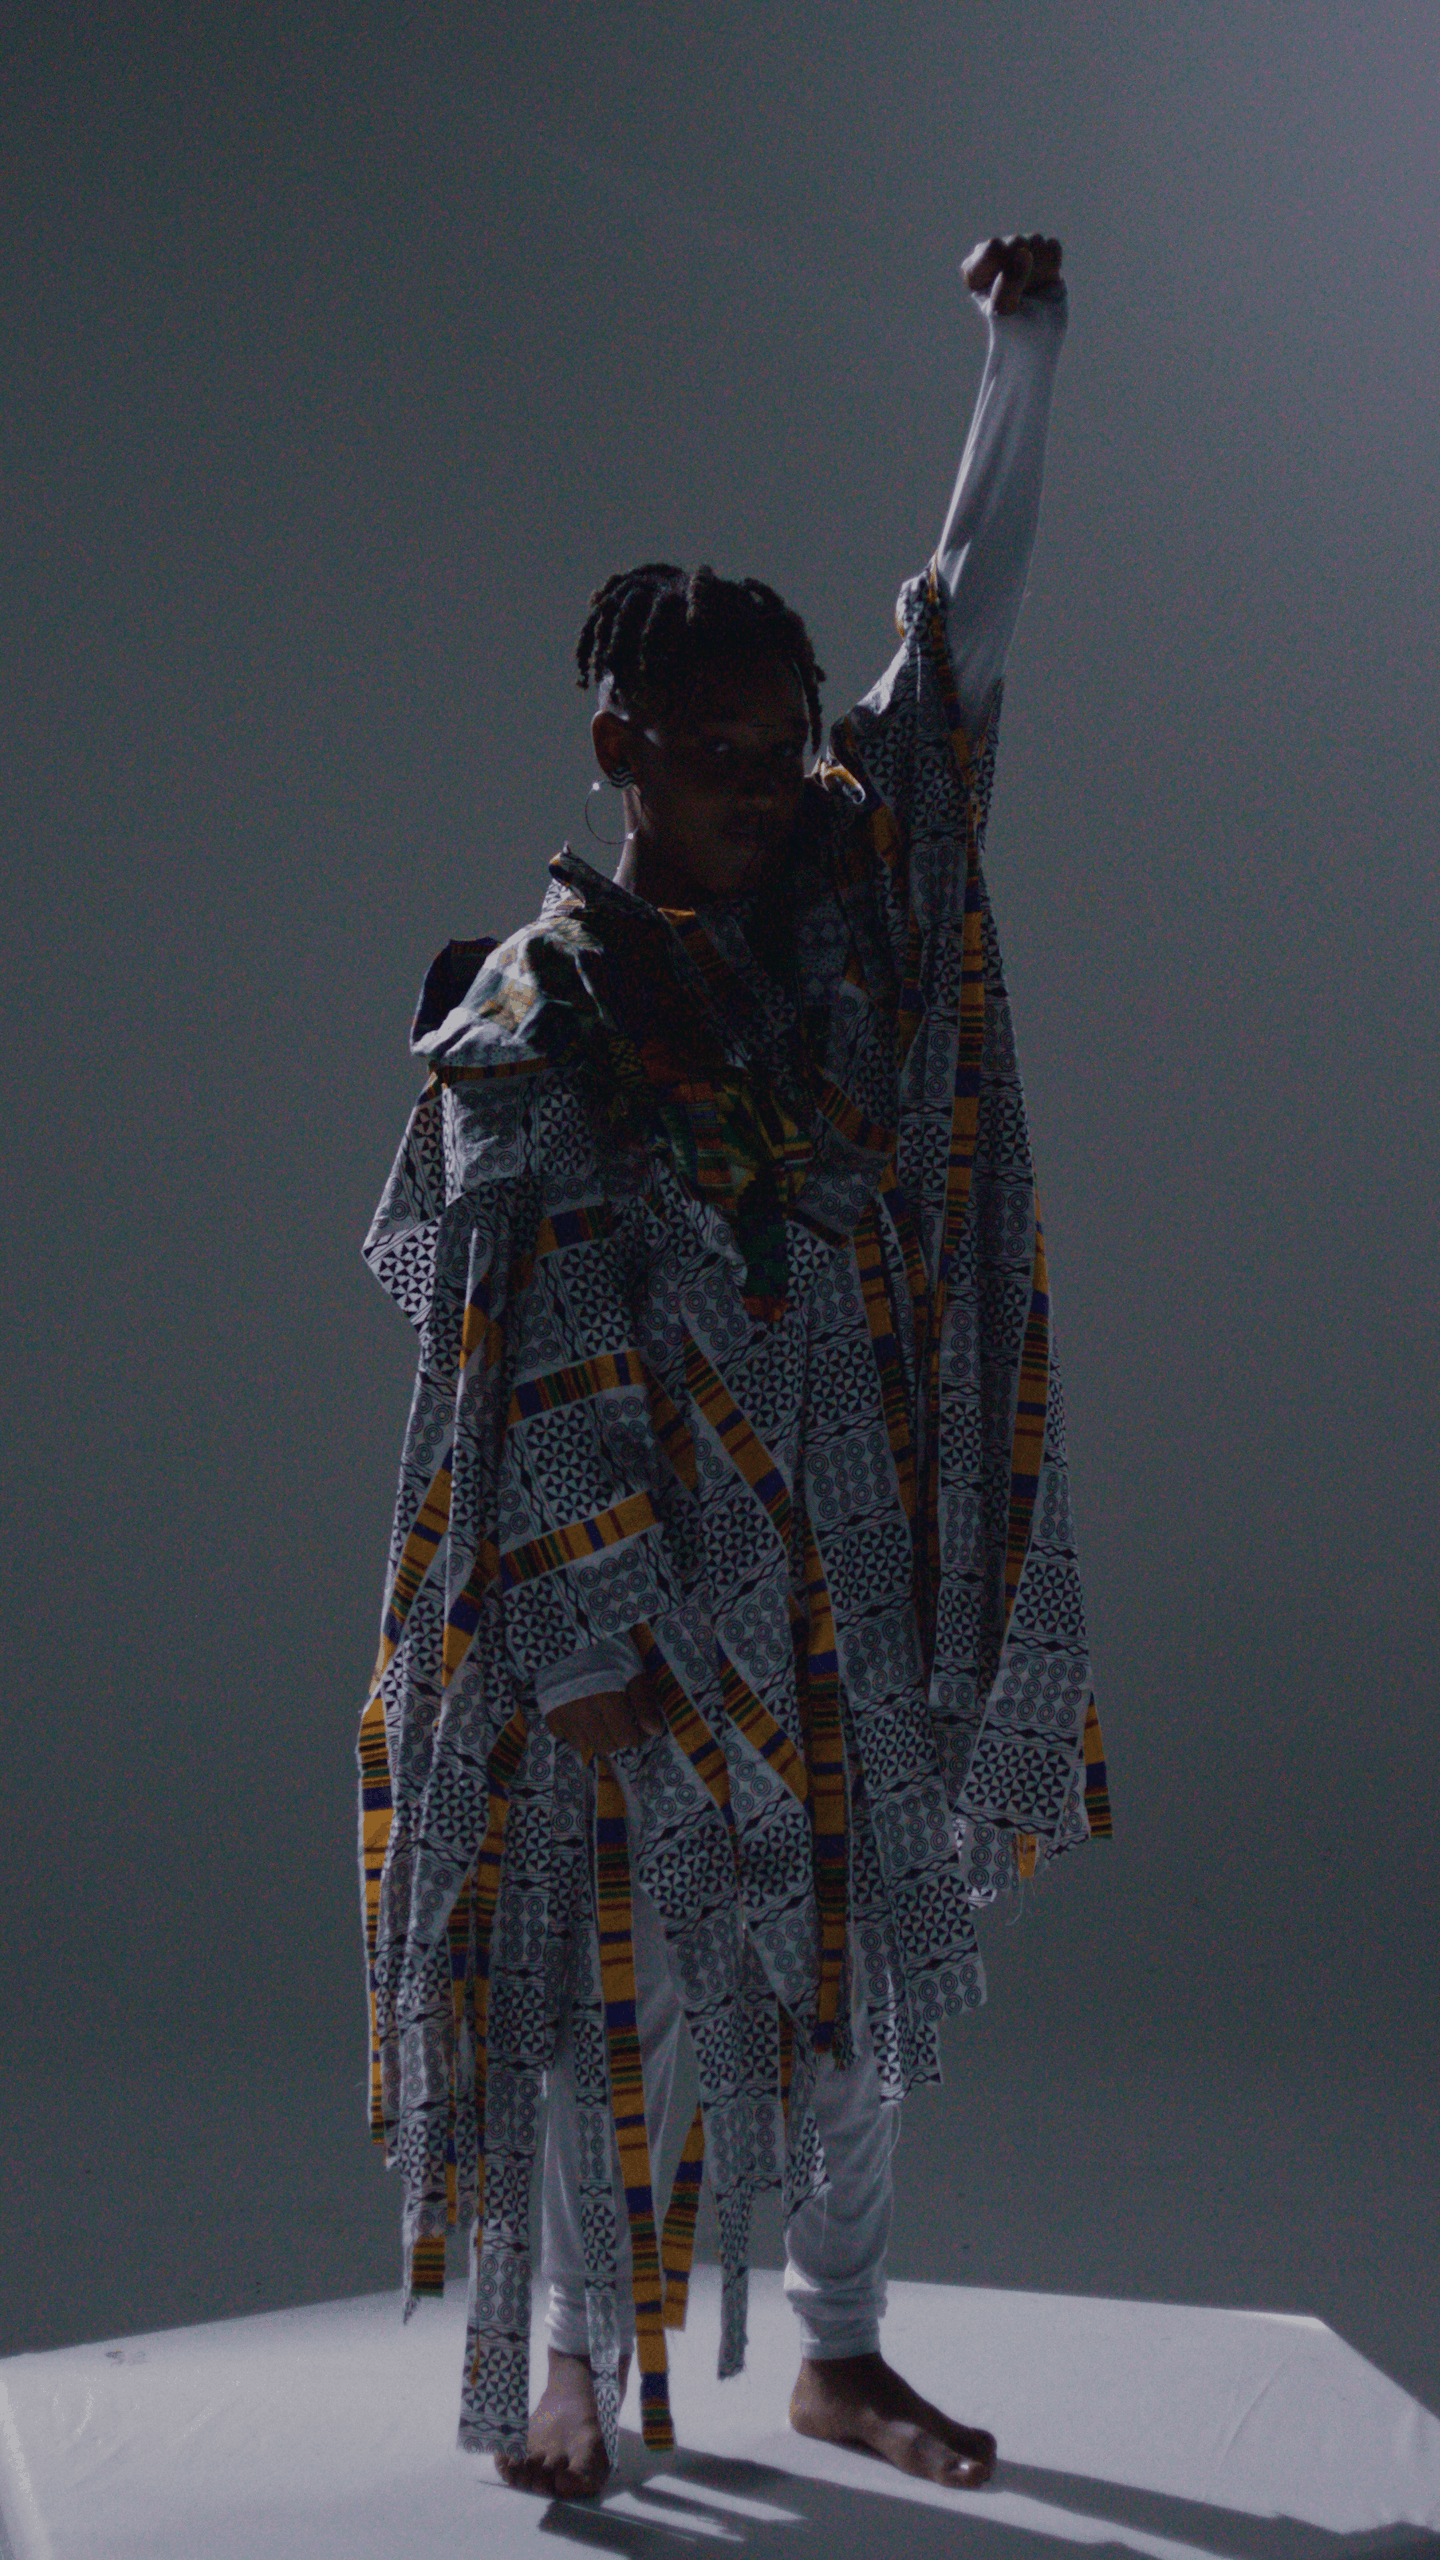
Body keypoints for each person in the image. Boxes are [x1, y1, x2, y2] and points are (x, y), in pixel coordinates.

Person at [358, 229, 1109, 2505]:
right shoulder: (534, 1009)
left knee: (859, 1965)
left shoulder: (853, 903)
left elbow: (956, 642)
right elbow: (492, 1335)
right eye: (712, 751)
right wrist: (574, 1624)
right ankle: (583, 2353)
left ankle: (843, 2346)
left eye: (783, 745)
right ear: (615, 745)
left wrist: (1026, 359)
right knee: (630, 1978)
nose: (765, 781)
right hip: (635, 1572)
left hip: (852, 1535)